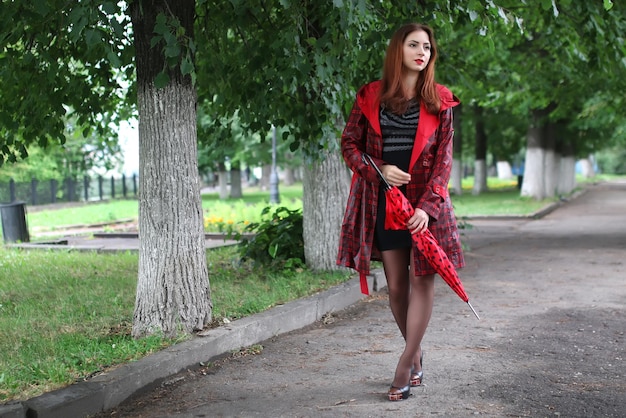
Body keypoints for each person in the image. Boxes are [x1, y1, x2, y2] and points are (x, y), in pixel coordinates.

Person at [336, 23, 464, 401]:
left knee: (423, 280)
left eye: (427, 46)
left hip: (425, 205)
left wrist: (428, 207)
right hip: (384, 201)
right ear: (398, 50)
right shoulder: (371, 96)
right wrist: (378, 169)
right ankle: (417, 353)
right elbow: (350, 145)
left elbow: (444, 163)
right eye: (413, 45)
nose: (422, 52)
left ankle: (406, 365)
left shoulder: (441, 101)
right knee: (395, 288)